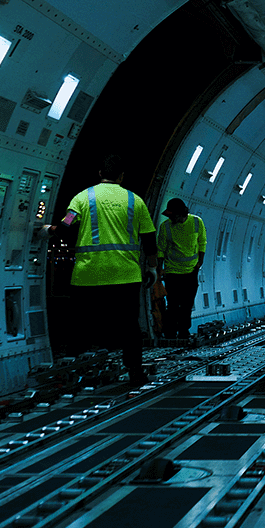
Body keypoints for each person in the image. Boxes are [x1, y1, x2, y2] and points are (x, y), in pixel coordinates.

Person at [59, 154, 157, 384]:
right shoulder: (135, 201)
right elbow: (150, 238)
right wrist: (152, 268)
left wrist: (48, 230)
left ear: (100, 174)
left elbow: (66, 226)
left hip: (87, 276)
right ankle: (135, 371)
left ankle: (74, 372)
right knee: (129, 326)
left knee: (80, 326)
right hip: (125, 275)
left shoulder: (82, 198)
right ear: (122, 177)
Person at [156, 198, 206, 340]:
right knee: (172, 304)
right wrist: (160, 269)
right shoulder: (165, 227)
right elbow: (161, 249)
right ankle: (170, 333)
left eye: (173, 215)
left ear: (181, 213)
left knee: (187, 304)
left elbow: (202, 242)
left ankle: (184, 331)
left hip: (191, 271)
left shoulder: (197, 222)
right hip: (172, 272)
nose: (170, 218)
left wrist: (200, 262)